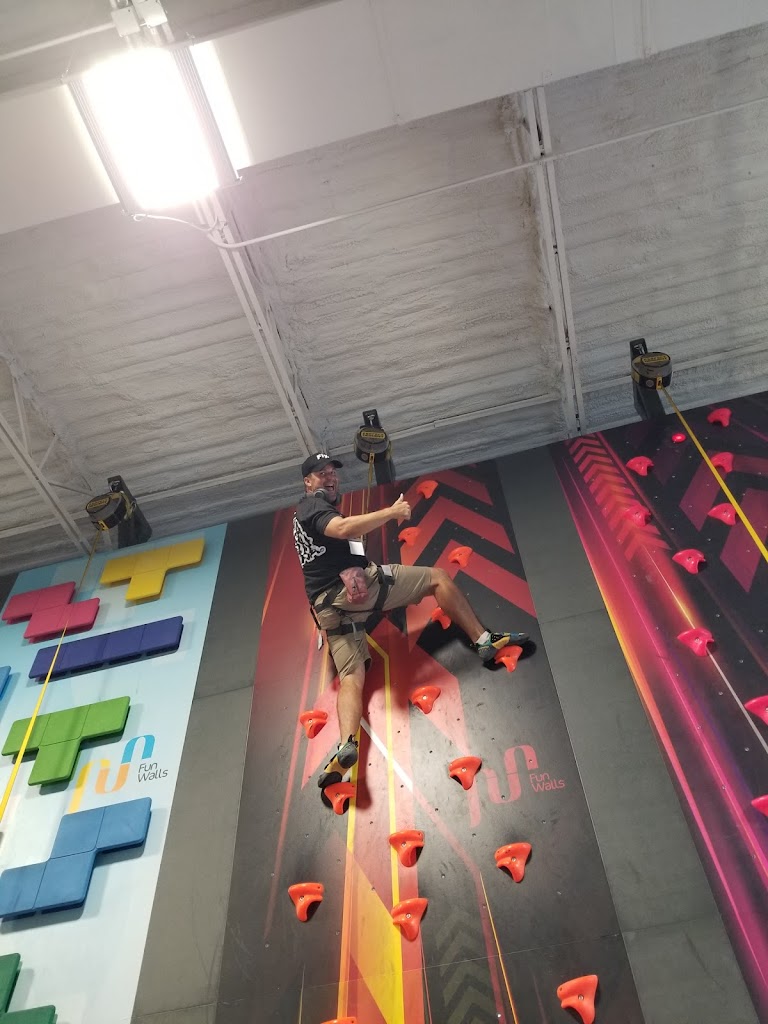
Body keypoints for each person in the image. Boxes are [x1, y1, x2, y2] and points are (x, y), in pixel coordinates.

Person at [293, 453, 529, 791]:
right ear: (308, 482)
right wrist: (391, 513)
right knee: (438, 578)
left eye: (332, 472)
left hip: (327, 609)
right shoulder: (311, 506)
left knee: (351, 676)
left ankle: (346, 744)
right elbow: (342, 528)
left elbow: (337, 541)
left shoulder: (305, 517)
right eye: (321, 473)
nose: (330, 477)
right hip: (351, 590)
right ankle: (483, 641)